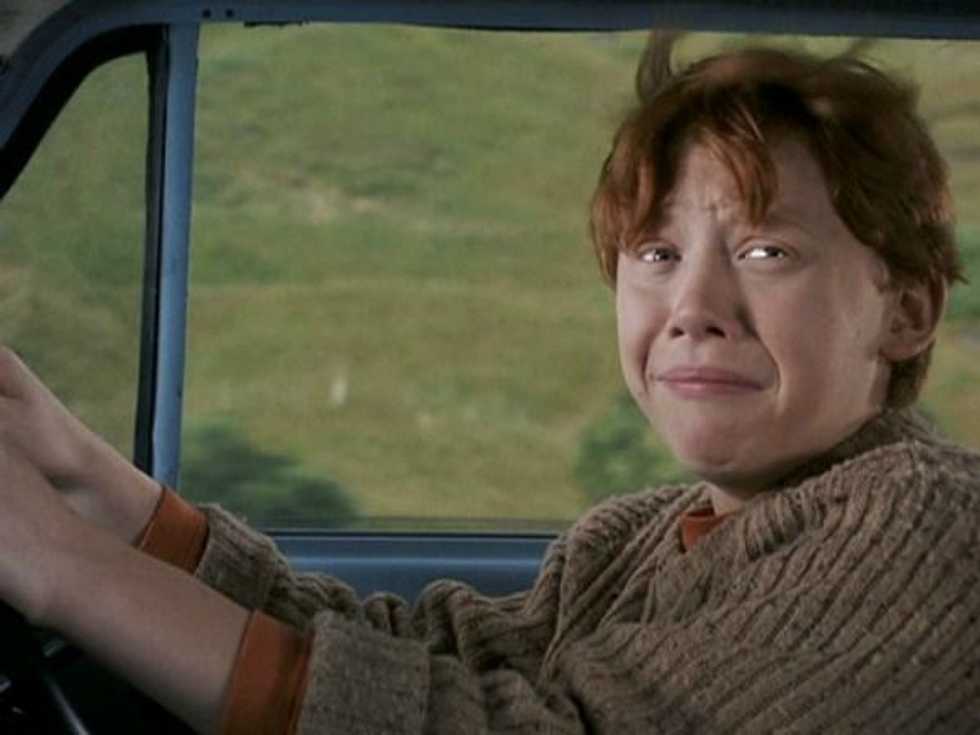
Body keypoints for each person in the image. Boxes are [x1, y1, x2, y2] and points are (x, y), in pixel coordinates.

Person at [1, 39, 979, 734]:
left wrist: (66, 568)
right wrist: (94, 482)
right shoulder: (632, 539)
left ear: (906, 311)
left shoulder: (927, 525)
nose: (693, 307)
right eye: (656, 253)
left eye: (767, 251)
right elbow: (419, 661)